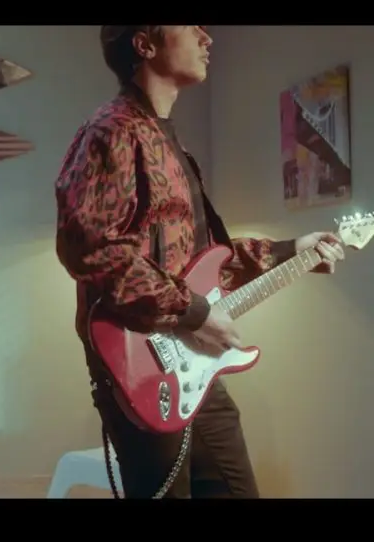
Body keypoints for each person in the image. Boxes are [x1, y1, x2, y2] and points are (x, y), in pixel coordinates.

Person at [54, 25, 347, 499]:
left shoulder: (165, 138)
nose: (207, 37)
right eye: (190, 27)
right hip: (141, 364)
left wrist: (291, 250)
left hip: (191, 358)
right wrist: (193, 312)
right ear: (145, 44)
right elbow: (92, 248)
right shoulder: (113, 130)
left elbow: (201, 260)